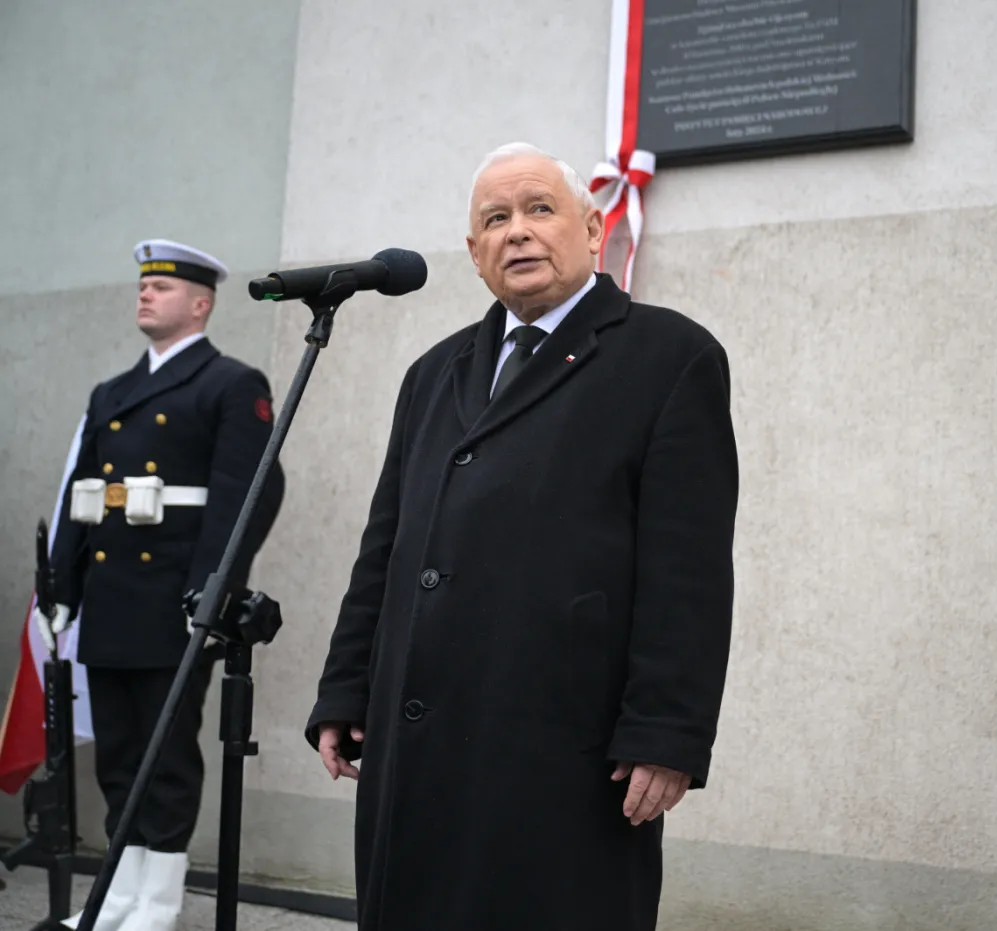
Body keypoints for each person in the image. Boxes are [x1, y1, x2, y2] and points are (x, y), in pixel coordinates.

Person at [305, 141, 739, 930]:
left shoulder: (670, 358)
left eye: (540, 209)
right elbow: (386, 545)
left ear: (593, 228)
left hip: (563, 742)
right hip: (422, 737)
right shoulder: (435, 372)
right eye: (495, 219)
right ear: (474, 255)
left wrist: (667, 730)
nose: (518, 231)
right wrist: (345, 684)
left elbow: (690, 572)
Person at [42, 239, 285, 931]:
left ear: (201, 303)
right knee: (119, 753)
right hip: (112, 597)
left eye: (163, 287)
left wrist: (209, 590)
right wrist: (64, 585)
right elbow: (81, 497)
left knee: (165, 754)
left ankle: (159, 900)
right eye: (143, 285)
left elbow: (249, 491)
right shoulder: (110, 392)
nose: (145, 294)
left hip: (173, 600)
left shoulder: (231, 384)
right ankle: (118, 892)